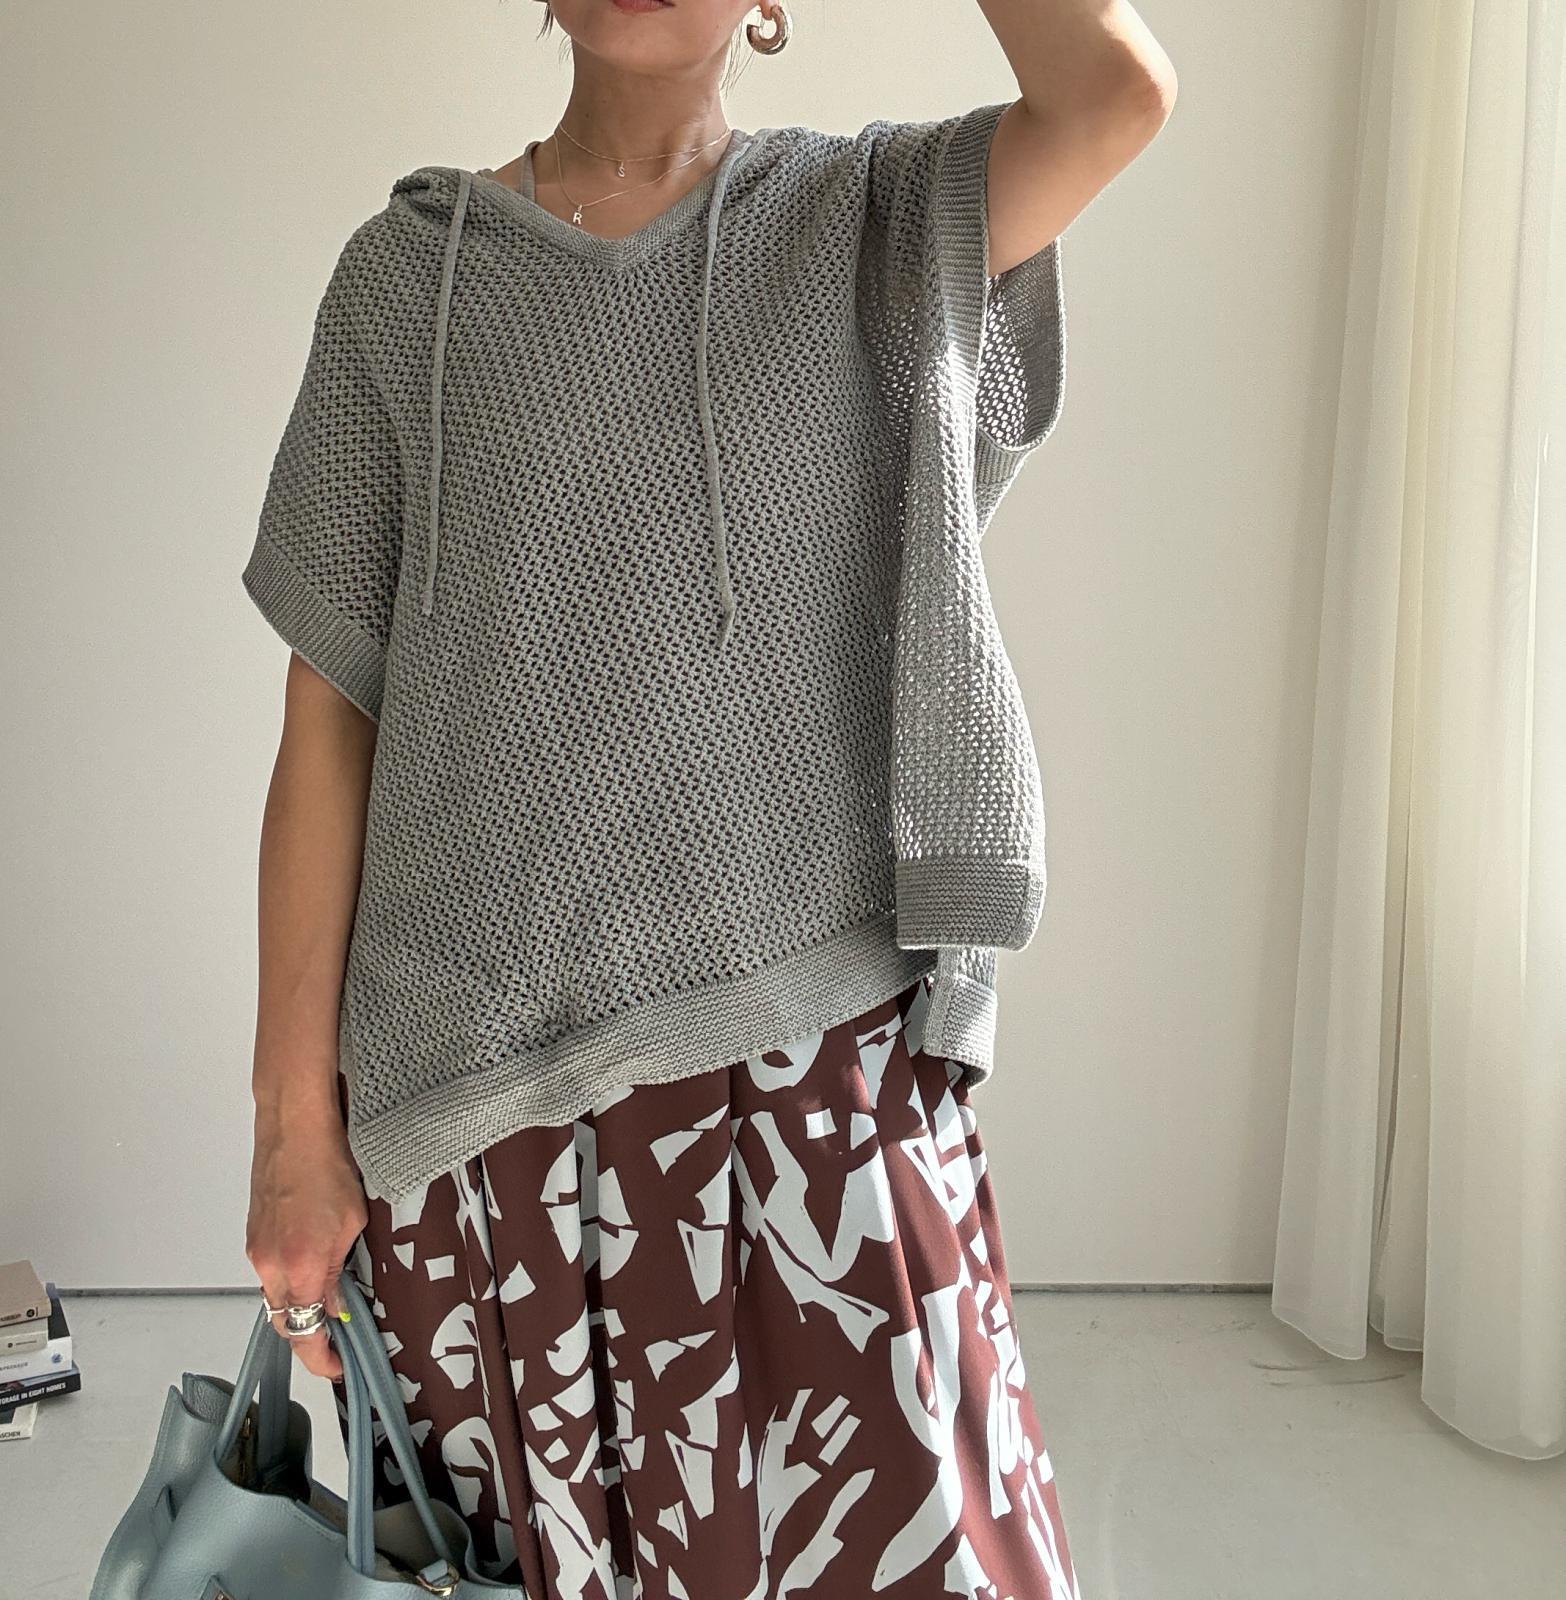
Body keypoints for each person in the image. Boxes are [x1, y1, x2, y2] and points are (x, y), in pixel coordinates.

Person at [239, 0, 1175, 1593]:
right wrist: (289, 1135)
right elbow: (326, 726)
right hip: (478, 1121)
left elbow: (1109, 96)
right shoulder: (403, 283)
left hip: (815, 1078)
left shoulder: (876, 224)